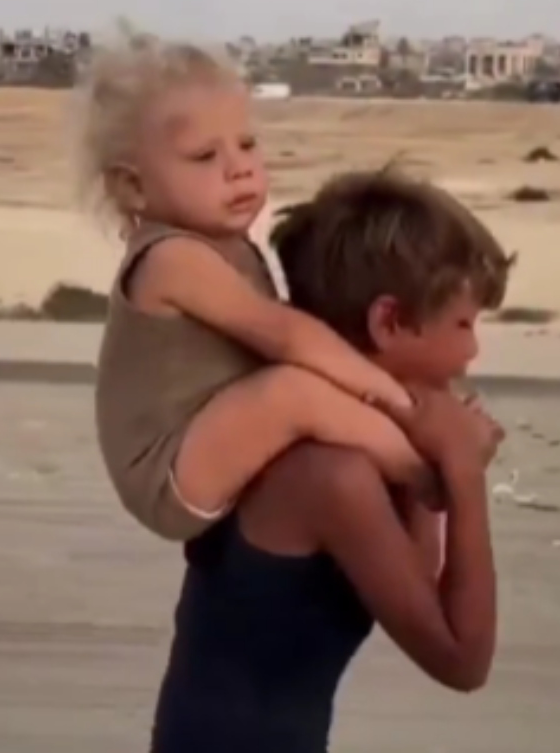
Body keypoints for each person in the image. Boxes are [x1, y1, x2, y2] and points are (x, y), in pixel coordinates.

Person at [150, 168, 514, 753]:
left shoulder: (352, 446)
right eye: (464, 324)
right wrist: (465, 472)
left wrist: (431, 458)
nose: (473, 349)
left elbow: (413, 582)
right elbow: (462, 660)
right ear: (388, 322)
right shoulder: (327, 474)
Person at [79, 35, 429, 542]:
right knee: (293, 393)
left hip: (212, 434)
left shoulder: (231, 246)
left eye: (246, 144)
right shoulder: (171, 258)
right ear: (133, 186)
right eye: (204, 156)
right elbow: (285, 334)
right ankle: (422, 469)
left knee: (305, 384)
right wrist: (397, 402)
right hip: (169, 468)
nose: (238, 167)